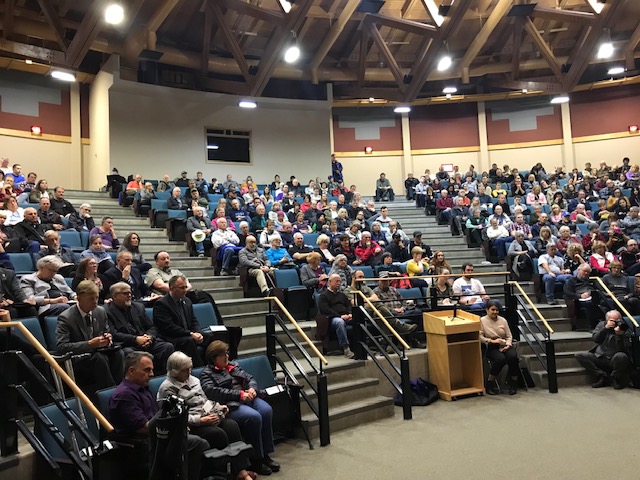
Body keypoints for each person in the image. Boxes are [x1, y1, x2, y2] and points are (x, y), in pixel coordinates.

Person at [108, 352, 210, 480]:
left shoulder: (143, 388)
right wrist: (175, 429)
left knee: (213, 435)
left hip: (157, 438)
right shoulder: (124, 395)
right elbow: (144, 428)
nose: (151, 374)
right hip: (140, 446)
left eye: (152, 370)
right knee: (199, 444)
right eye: (147, 370)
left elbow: (159, 417)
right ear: (131, 371)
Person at [157, 352, 255, 480]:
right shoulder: (167, 389)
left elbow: (205, 401)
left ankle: (241, 471)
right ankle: (223, 474)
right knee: (218, 434)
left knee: (232, 426)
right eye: (185, 370)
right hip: (191, 424)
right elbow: (175, 416)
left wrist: (219, 408)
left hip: (207, 414)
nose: (189, 372)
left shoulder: (194, 380)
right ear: (175, 372)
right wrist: (200, 421)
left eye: (190, 368)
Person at [200, 341, 280, 476]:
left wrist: (252, 389)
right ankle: (256, 460)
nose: (226, 357)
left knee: (266, 410)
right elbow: (213, 392)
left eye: (227, 353)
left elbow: (250, 378)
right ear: (213, 358)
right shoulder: (207, 374)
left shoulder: (234, 365)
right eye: (222, 355)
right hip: (232, 404)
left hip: (249, 398)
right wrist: (240, 395)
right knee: (253, 417)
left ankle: (266, 454)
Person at [55, 280, 124, 389]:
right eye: (91, 299)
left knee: (118, 353)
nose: (95, 302)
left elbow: (106, 332)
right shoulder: (66, 318)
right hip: (78, 358)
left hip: (98, 352)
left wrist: (107, 338)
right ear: (79, 298)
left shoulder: (100, 311)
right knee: (99, 358)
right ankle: (109, 392)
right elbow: (61, 347)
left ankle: (120, 388)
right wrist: (89, 344)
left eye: (96, 298)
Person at [104, 282, 173, 372]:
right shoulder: (106, 311)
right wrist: (136, 339)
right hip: (127, 344)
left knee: (167, 347)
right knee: (129, 353)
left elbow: (152, 327)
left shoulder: (138, 307)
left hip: (145, 341)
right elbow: (113, 334)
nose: (129, 295)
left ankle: (159, 377)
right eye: (125, 293)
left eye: (130, 293)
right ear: (114, 296)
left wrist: (149, 337)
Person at [152, 275, 210, 367]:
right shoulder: (161, 304)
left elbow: (193, 320)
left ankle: (215, 365)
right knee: (189, 341)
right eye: (181, 288)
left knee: (211, 335)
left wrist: (198, 332)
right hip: (172, 337)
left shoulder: (187, 301)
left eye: (185, 287)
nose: (185, 290)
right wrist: (190, 334)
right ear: (171, 288)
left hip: (187, 334)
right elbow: (169, 327)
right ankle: (200, 368)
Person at [575, 310, 633, 389]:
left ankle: (614, 378)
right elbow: (595, 339)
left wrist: (620, 335)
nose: (615, 323)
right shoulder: (601, 325)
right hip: (599, 355)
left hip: (614, 357)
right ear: (607, 320)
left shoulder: (624, 328)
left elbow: (624, 348)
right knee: (580, 355)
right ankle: (602, 375)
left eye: (617, 320)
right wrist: (605, 329)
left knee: (622, 356)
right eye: (612, 320)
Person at [480, 300, 519, 395]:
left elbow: (509, 336)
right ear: (487, 310)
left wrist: (508, 345)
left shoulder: (503, 320)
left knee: (513, 357)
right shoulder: (482, 320)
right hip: (491, 345)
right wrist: (492, 341)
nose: (495, 312)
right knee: (500, 359)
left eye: (497, 310)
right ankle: (489, 383)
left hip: (504, 344)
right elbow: (480, 337)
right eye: (492, 309)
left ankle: (514, 383)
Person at [318, 274, 355, 359]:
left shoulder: (341, 295)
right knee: (339, 322)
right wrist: (340, 316)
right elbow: (325, 309)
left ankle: (361, 345)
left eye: (340, 281)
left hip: (345, 316)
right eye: (336, 281)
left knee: (359, 318)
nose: (339, 283)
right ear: (330, 282)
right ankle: (346, 348)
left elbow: (348, 305)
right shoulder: (324, 295)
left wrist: (350, 313)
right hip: (332, 318)